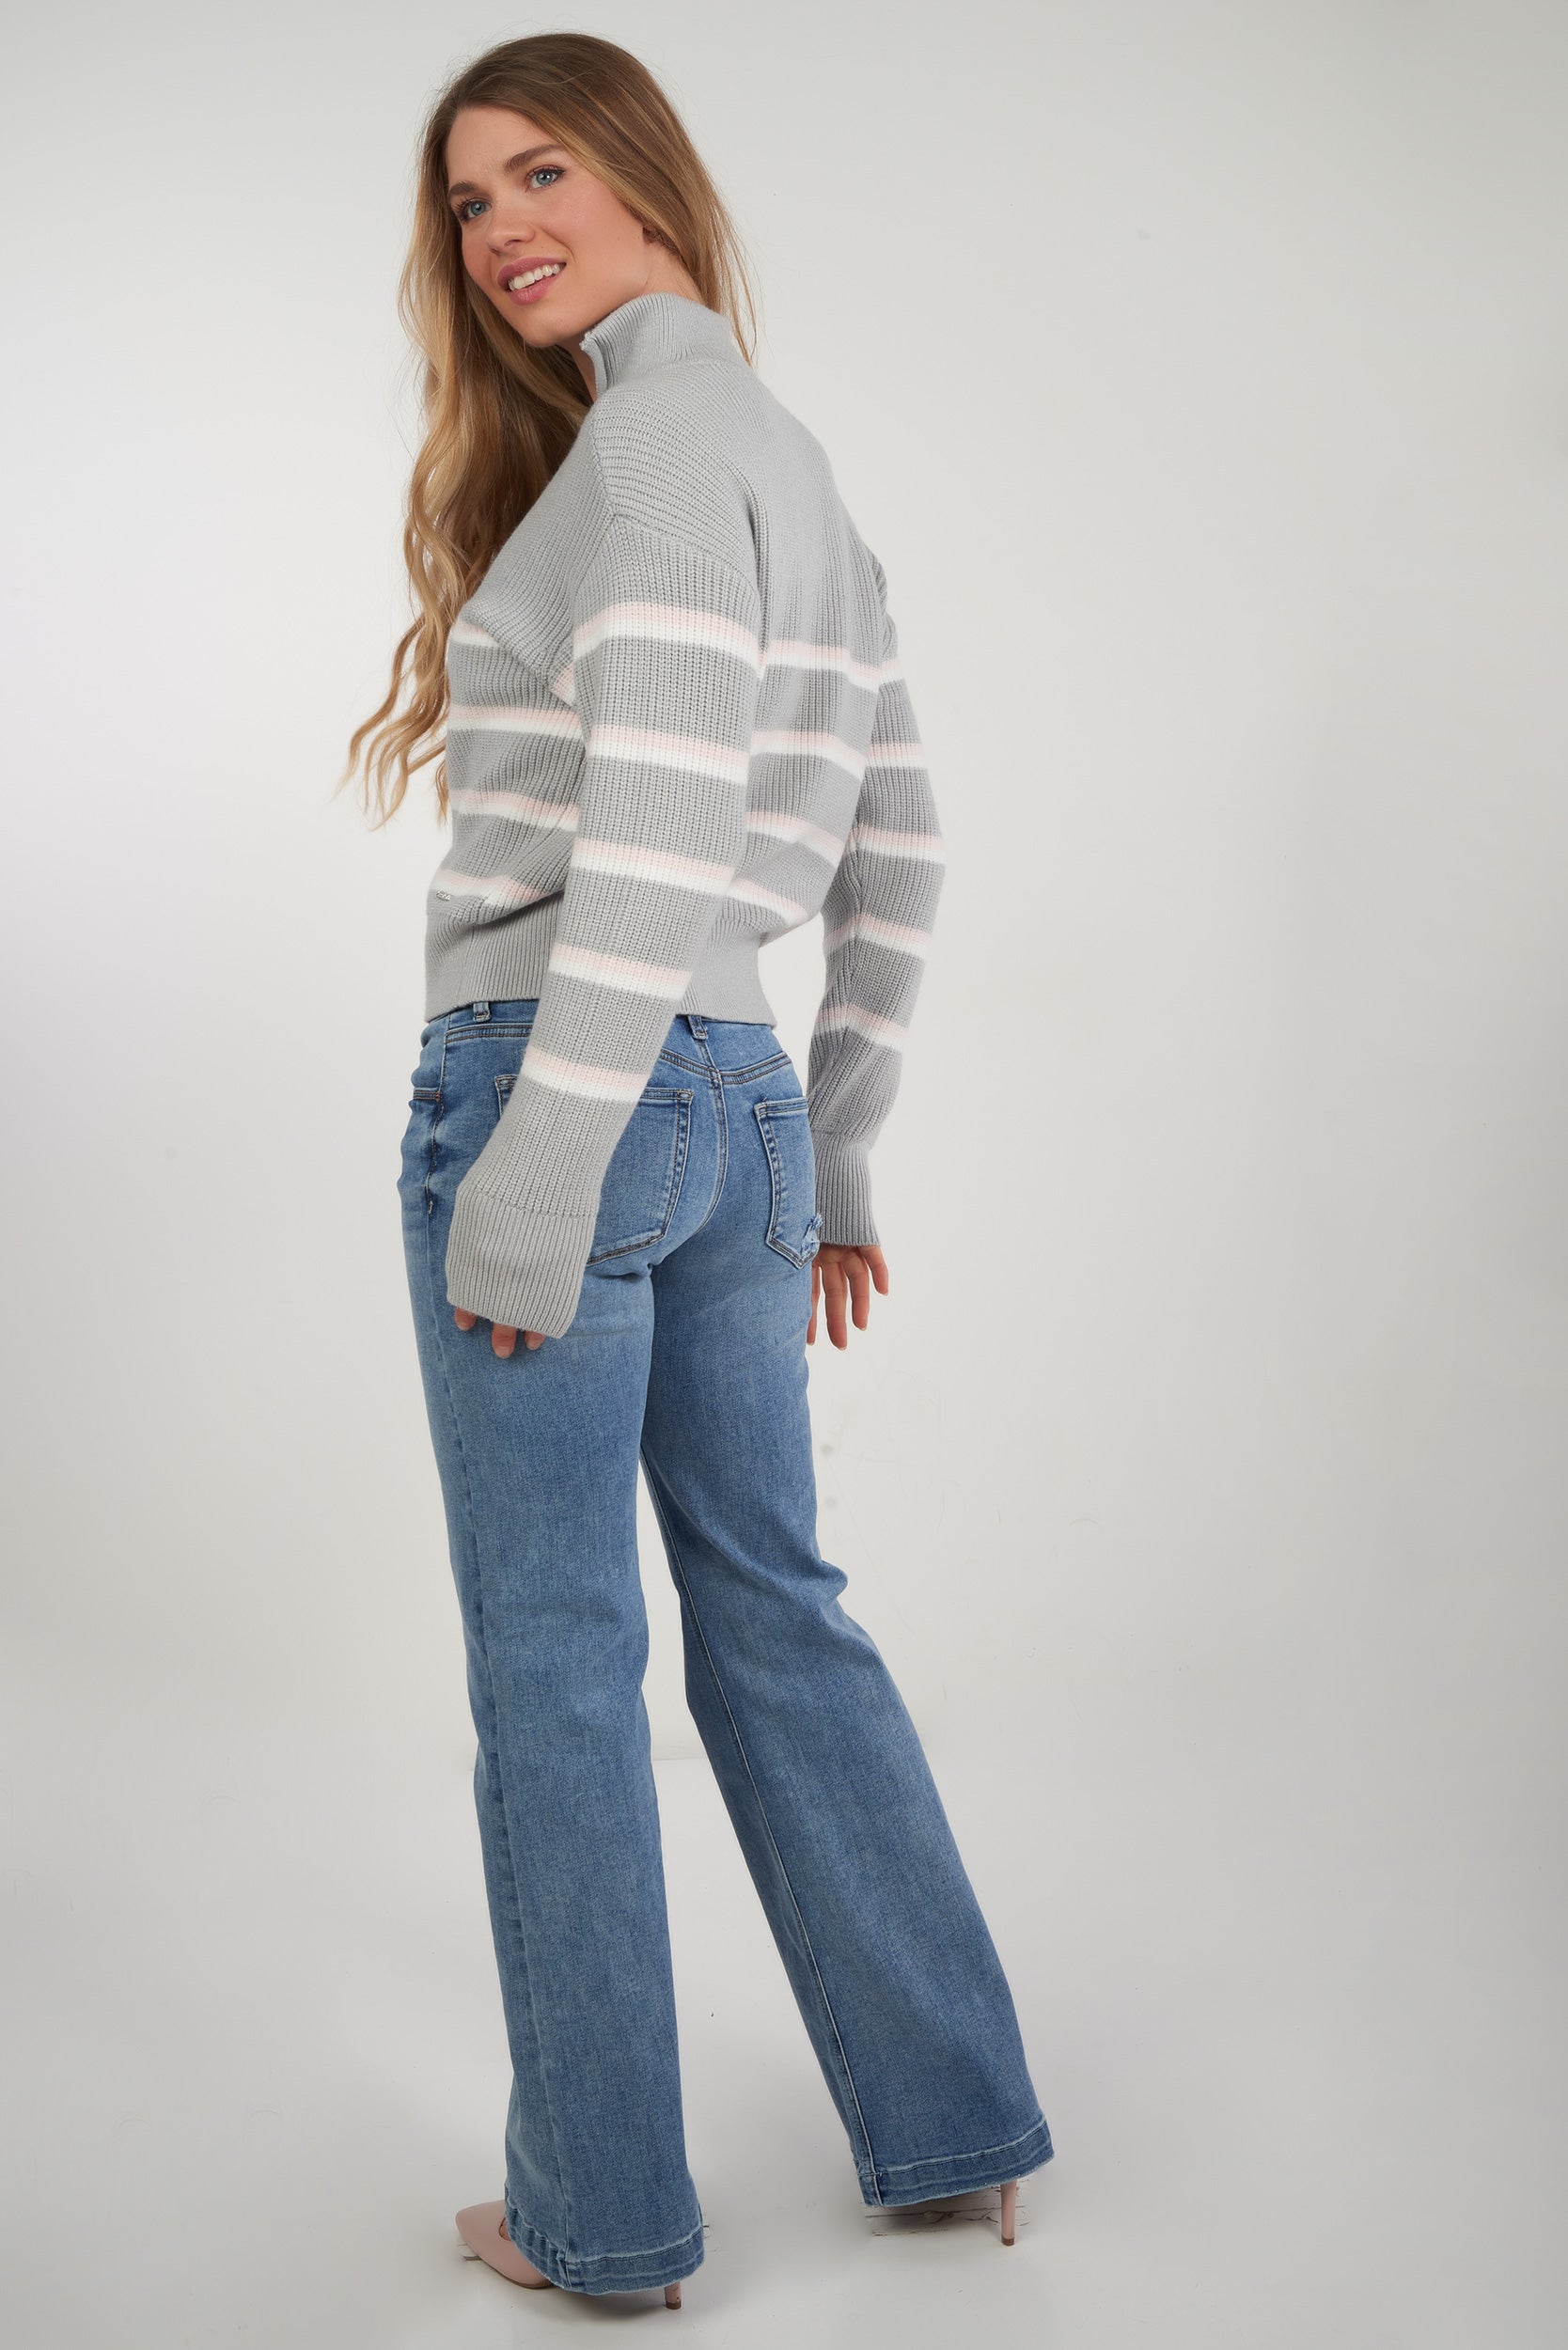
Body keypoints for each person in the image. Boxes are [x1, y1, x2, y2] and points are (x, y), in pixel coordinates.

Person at [341, 29, 1053, 2307]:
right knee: (777, 1608)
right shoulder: (790, 466)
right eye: (469, 201)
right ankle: (954, 2121)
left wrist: (539, 1173)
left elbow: (647, 844)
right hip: (731, 1104)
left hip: (568, 1084)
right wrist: (828, 1139)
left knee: (558, 1659)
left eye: (542, 172)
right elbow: (899, 841)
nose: (501, 229)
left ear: (649, 178)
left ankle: (604, 2221)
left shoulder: (647, 454)